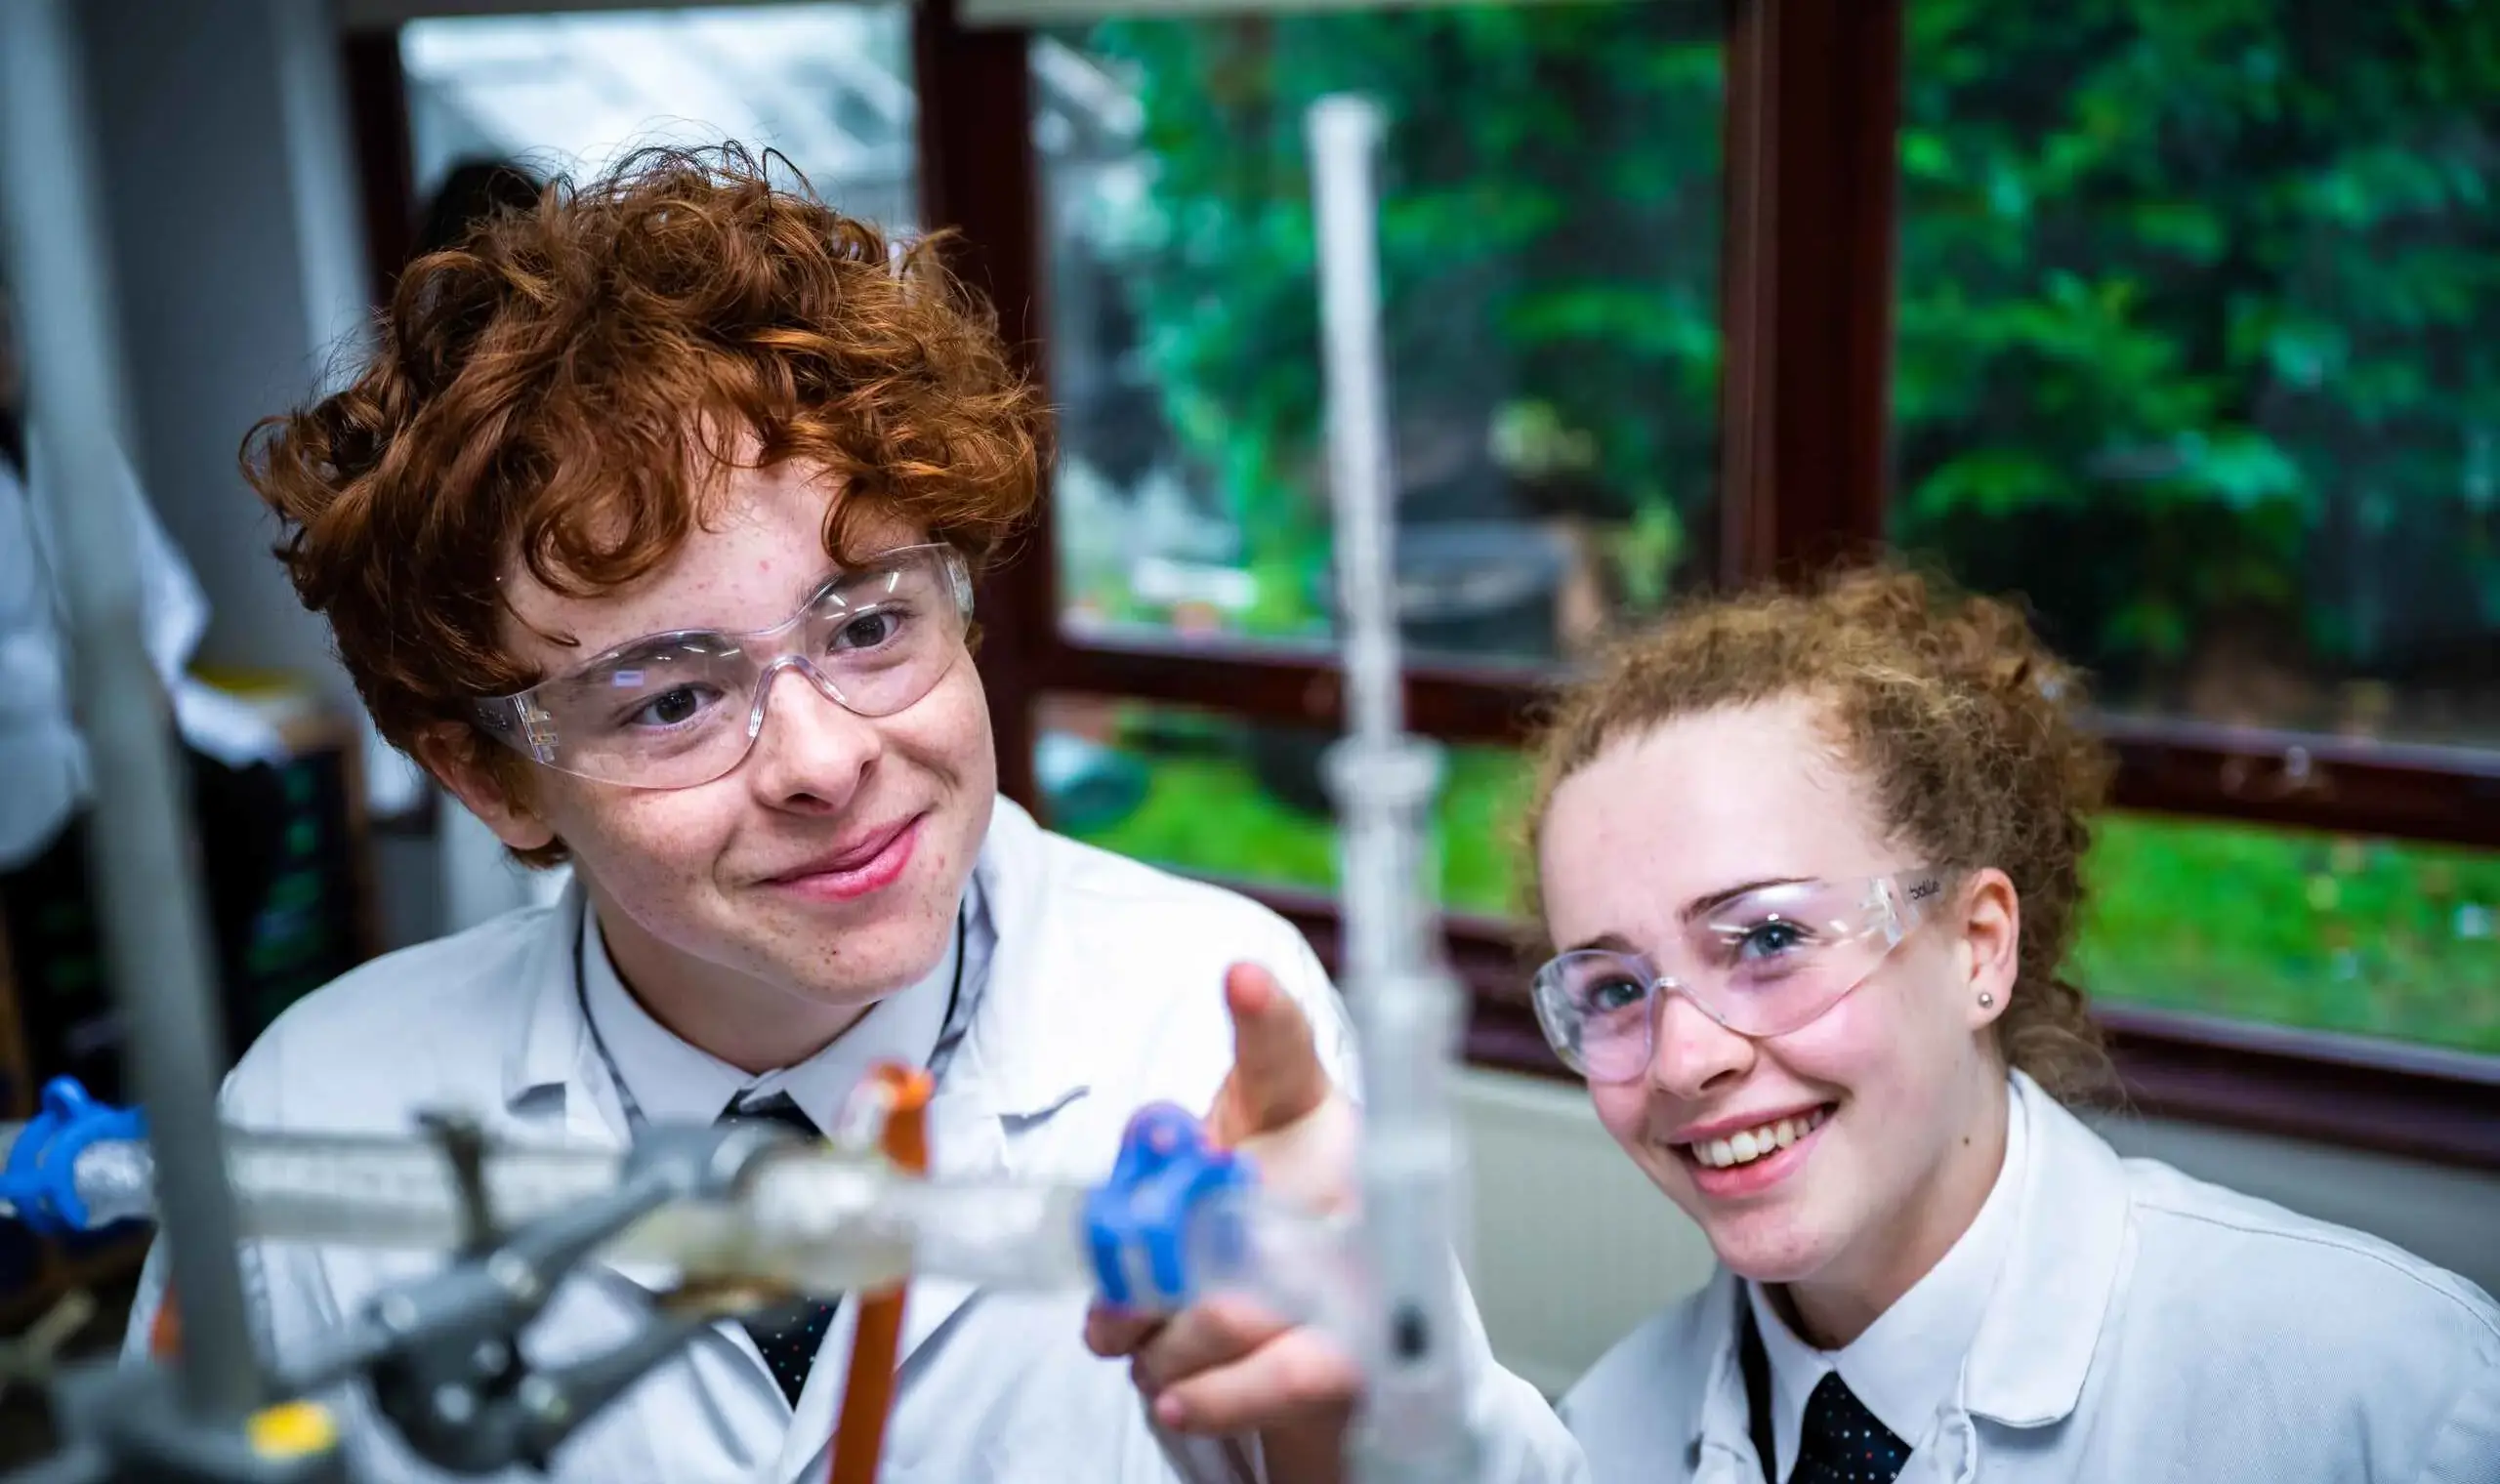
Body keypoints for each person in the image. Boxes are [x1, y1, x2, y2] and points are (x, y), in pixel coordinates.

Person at [119, 144, 1579, 1484]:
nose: (823, 759)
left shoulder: (1204, 1016)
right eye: (670, 698)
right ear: (490, 775)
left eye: (869, 624)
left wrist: (1361, 1411)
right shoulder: (313, 1119)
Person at [1521, 565, 2500, 1483]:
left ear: (1977, 946)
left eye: (1769, 936)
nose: (1685, 1058)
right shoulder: (1601, 1440)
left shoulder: (2387, 1401)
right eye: (1612, 991)